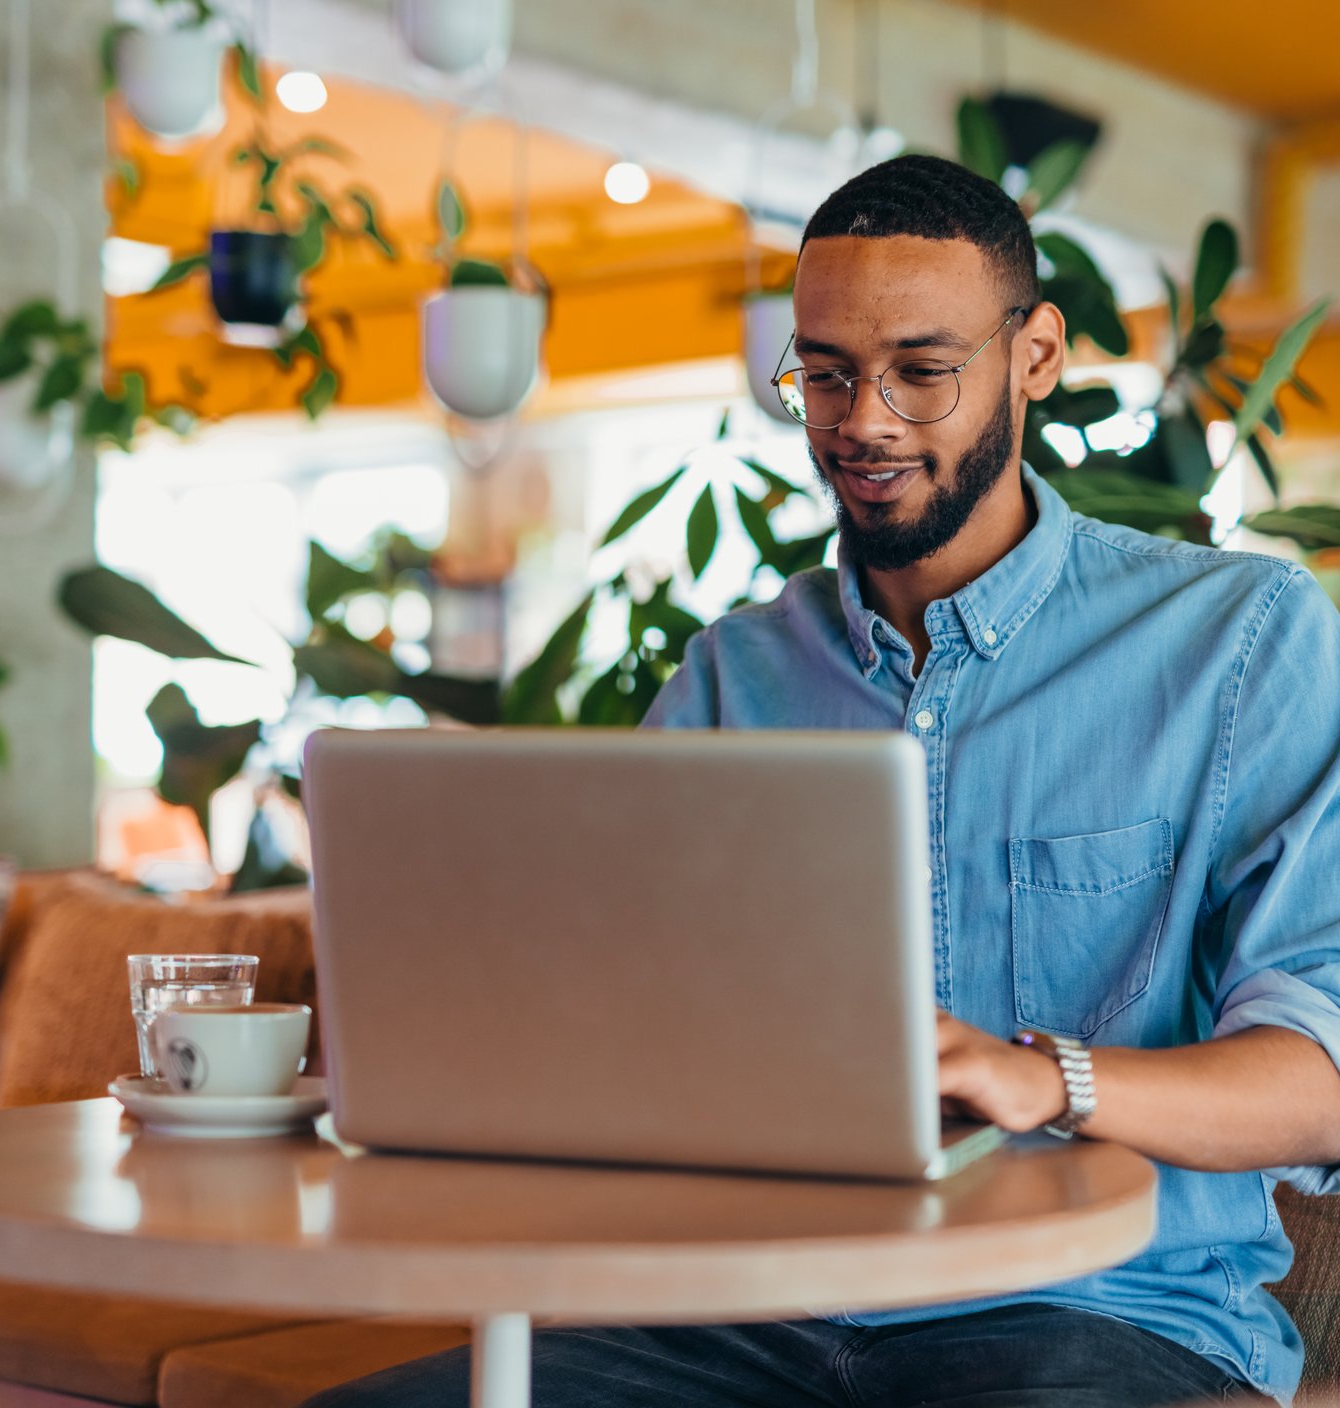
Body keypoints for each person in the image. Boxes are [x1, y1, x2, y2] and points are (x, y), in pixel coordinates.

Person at [305, 155, 1340, 1406]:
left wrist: (1045, 1079)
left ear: (1038, 356)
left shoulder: (1238, 637)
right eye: (827, 372)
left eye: (922, 370)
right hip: (744, 1314)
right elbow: (615, 1014)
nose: (864, 421)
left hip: (1098, 1314)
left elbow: (1321, 1082)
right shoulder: (736, 675)